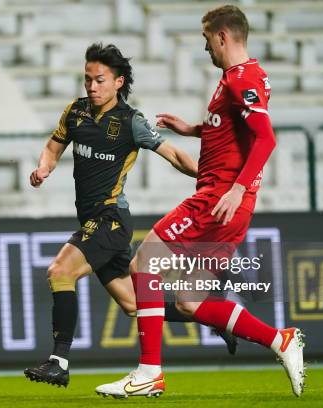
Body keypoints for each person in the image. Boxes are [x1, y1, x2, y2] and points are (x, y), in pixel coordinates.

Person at [95, 5, 305, 398]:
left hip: (217, 199)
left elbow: (265, 138)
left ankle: (148, 372)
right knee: (190, 302)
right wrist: (191, 130)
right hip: (231, 208)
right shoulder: (238, 78)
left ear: (223, 37)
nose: (205, 48)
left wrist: (237, 188)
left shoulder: (242, 78)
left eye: (207, 40)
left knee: (144, 263)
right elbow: (231, 131)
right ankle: (281, 339)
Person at [23, 43, 239, 388]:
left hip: (111, 221)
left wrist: (212, 181)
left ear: (118, 82)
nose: (92, 87)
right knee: (133, 304)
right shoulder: (74, 112)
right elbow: (53, 145)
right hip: (91, 221)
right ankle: (211, 314)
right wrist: (43, 168)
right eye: (87, 80)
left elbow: (174, 155)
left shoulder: (130, 121)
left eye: (100, 80)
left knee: (60, 271)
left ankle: (59, 361)